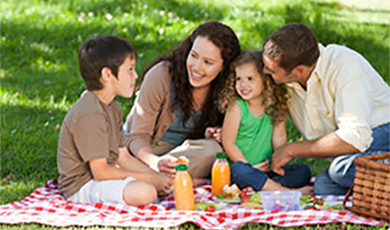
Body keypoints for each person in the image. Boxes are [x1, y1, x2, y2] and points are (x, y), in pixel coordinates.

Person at [262, 23, 390, 195]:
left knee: (340, 169)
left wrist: (291, 149)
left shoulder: (345, 65)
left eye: (271, 70)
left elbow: (355, 137)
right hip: (352, 152)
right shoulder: (285, 79)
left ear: (298, 71)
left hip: (382, 131)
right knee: (324, 186)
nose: (264, 71)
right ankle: (379, 186)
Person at [57, 35, 173, 206]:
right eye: (130, 70)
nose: (135, 76)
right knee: (146, 192)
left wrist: (156, 177)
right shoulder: (90, 113)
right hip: (82, 186)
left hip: (104, 175)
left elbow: (123, 157)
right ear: (107, 74)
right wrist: (150, 179)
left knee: (157, 183)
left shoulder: (112, 107)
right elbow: (100, 172)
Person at [124, 21, 241, 186]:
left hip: (184, 156)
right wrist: (155, 162)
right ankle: (177, 181)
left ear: (224, 67)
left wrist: (218, 133)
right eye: (193, 55)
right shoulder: (161, 75)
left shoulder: (228, 90)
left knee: (213, 151)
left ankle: (158, 181)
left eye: (208, 62)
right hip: (147, 151)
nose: (196, 67)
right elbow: (136, 136)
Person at [219, 50, 312, 194]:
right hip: (242, 171)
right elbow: (228, 143)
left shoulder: (275, 106)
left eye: (250, 78)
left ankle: (264, 187)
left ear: (265, 80)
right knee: (239, 171)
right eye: (239, 79)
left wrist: (278, 164)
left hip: (266, 171)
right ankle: (286, 192)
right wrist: (249, 167)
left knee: (302, 171)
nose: (243, 84)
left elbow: (279, 138)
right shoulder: (236, 107)